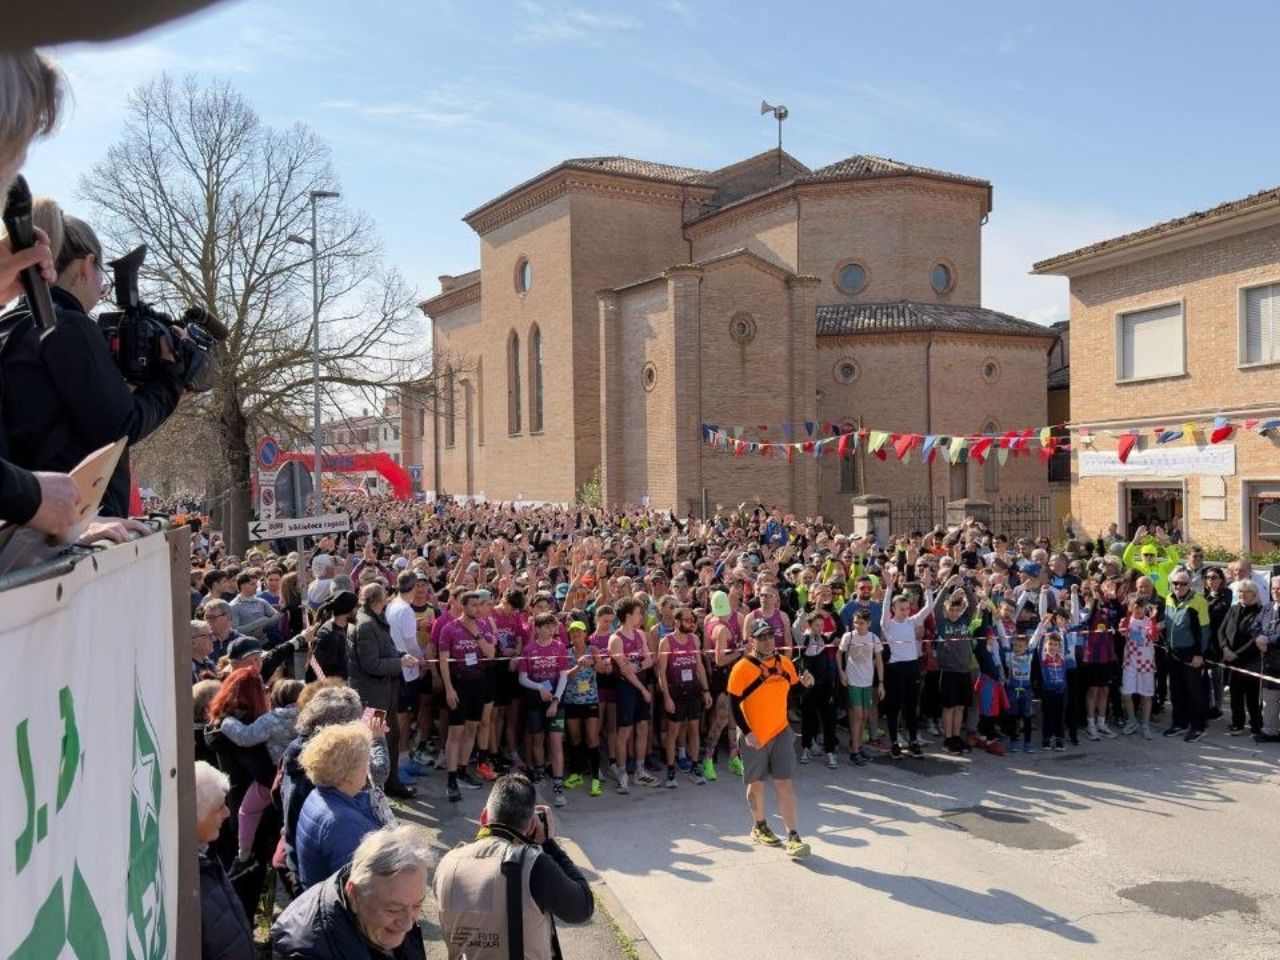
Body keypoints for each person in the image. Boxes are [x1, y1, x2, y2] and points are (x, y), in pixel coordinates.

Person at [0, 198, 186, 518]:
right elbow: (119, 426)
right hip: (72, 519)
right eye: (102, 274)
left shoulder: (9, 326)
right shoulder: (68, 326)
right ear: (87, 265)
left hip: (22, 514)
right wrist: (170, 380)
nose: (102, 288)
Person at [435, 773, 594, 960]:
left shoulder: (447, 863)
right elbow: (582, 907)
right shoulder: (534, 865)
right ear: (531, 825)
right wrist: (549, 844)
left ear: (484, 817)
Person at [272, 824, 432, 960]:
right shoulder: (305, 953)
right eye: (393, 909)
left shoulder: (389, 899)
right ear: (354, 895)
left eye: (418, 905)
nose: (408, 925)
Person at [726, 618, 814, 858]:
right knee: (756, 784)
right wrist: (747, 733)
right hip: (754, 736)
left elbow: (793, 693)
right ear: (751, 640)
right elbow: (733, 704)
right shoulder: (742, 668)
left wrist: (805, 686)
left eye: (770, 636)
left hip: (781, 731)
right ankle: (759, 825)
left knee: (785, 783)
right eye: (761, 637)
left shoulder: (784, 663)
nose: (767, 641)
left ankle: (793, 836)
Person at [348, 582, 418, 799]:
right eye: (385, 594)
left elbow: (386, 648)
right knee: (375, 741)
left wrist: (400, 655)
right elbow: (371, 664)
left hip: (382, 692)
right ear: (378, 600)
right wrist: (399, 664)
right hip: (372, 696)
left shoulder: (375, 619)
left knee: (389, 736)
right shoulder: (366, 624)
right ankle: (376, 789)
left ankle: (390, 782)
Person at [295, 720, 383, 890]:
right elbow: (359, 887)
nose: (370, 765)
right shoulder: (342, 823)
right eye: (366, 762)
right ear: (347, 775)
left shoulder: (318, 795)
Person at [439, 589, 497, 802]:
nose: (478, 608)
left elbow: (490, 653)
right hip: (458, 684)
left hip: (478, 682)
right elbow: (443, 661)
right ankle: (451, 779)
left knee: (472, 728)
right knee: (456, 732)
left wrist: (477, 634)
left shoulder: (483, 626)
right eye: (474, 605)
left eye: (479, 604)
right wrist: (449, 688)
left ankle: (463, 770)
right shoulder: (449, 628)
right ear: (463, 606)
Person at [194, 761, 255, 960]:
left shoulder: (208, 856)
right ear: (196, 816)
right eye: (219, 807)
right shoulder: (187, 878)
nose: (227, 813)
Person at [657, 605, 712, 787]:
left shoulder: (694, 639)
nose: (691, 623)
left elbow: (699, 666)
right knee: (674, 731)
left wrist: (706, 690)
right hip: (676, 691)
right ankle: (671, 770)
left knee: (694, 729)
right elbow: (661, 673)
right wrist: (667, 697)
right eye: (688, 620)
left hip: (693, 689)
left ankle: (695, 766)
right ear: (677, 621)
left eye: (693, 620)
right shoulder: (666, 642)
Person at [1163, 571, 1207, 742]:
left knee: (1194, 691)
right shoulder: (1168, 598)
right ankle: (1179, 723)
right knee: (1176, 690)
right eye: (1175, 583)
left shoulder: (1199, 601)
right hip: (1173, 652)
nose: (1179, 586)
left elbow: (1204, 630)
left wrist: (1199, 654)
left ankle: (1198, 727)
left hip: (1191, 653)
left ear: (1189, 585)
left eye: (1183, 584)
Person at [837, 608, 884, 766]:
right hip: (853, 681)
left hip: (867, 682)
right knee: (857, 715)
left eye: (861, 623)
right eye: (855, 622)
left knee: (865, 716)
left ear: (869, 623)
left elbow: (879, 661)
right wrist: (842, 672)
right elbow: (839, 654)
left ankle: (857, 745)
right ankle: (854, 752)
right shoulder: (848, 636)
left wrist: (881, 683)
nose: (858, 626)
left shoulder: (874, 638)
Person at [1220, 581, 1265, 735]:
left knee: (1253, 696)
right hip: (1231, 659)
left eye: (1247, 592)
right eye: (1240, 591)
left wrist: (1237, 654)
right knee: (1235, 694)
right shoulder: (1233, 608)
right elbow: (1222, 630)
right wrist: (1225, 648)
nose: (1242, 594)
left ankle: (1256, 726)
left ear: (1255, 594)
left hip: (1250, 660)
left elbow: (1255, 638)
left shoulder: (1260, 611)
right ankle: (1237, 723)